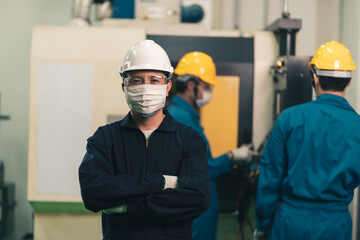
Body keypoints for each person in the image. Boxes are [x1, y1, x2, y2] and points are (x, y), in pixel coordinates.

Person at [78, 40, 211, 240]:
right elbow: (93, 192)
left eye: (154, 80)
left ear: (167, 87)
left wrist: (128, 206)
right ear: (124, 87)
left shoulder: (189, 140)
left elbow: (198, 198)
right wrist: (161, 182)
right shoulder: (105, 139)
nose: (145, 87)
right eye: (137, 80)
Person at [254, 41, 360, 240]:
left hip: (291, 223)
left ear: (314, 77)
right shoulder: (357, 126)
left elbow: (269, 177)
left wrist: (263, 224)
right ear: (350, 80)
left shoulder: (290, 118)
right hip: (335, 226)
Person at [168, 51, 253, 240]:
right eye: (207, 86)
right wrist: (232, 156)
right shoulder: (182, 120)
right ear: (192, 85)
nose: (210, 93)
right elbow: (201, 171)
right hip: (193, 218)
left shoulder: (186, 116)